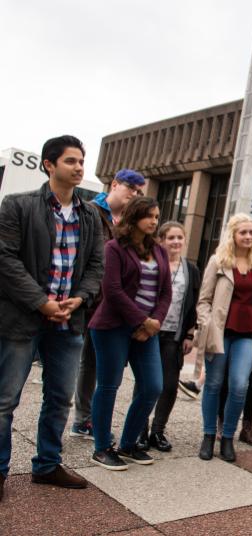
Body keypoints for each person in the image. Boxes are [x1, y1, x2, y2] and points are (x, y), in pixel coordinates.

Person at [0, 135, 104, 500]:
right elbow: (6, 260)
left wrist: (79, 298)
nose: (79, 167)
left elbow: (95, 265)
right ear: (49, 164)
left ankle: (47, 464)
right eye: (71, 161)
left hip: (68, 322)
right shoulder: (18, 205)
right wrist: (41, 301)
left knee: (59, 399)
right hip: (22, 320)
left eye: (81, 161)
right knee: (5, 400)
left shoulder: (90, 213)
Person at [88, 197, 172, 470]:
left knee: (152, 386)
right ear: (134, 216)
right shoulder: (114, 248)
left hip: (147, 330)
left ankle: (127, 444)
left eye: (157, 216)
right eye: (149, 215)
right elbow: (111, 290)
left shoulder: (159, 251)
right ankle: (101, 448)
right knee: (109, 386)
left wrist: (154, 322)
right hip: (112, 326)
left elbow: (166, 292)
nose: (154, 221)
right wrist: (142, 321)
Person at [71, 168, 144, 439]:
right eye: (130, 189)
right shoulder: (90, 211)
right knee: (71, 359)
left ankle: (84, 419)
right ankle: (76, 417)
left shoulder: (128, 223)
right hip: (83, 298)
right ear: (114, 185)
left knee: (93, 361)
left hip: (109, 304)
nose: (133, 195)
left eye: (138, 192)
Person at [195, 214, 252, 462]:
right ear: (233, 235)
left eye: (251, 233)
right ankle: (208, 436)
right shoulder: (218, 262)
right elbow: (204, 300)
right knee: (214, 384)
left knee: (240, 386)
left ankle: (228, 436)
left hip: (247, 335)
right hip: (219, 332)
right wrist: (207, 325)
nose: (249, 237)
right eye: (244, 233)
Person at [137, 222, 200, 452]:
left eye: (180, 238)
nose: (176, 242)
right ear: (161, 240)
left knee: (170, 385)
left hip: (174, 334)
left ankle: (158, 431)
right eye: (171, 238)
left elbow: (193, 304)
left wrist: (190, 333)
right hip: (150, 331)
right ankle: (139, 430)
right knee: (146, 383)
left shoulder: (190, 269)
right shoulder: (151, 263)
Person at [215, 220, 252, 447]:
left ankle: (247, 425)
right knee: (222, 380)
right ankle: (219, 422)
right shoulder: (225, 260)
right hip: (228, 325)